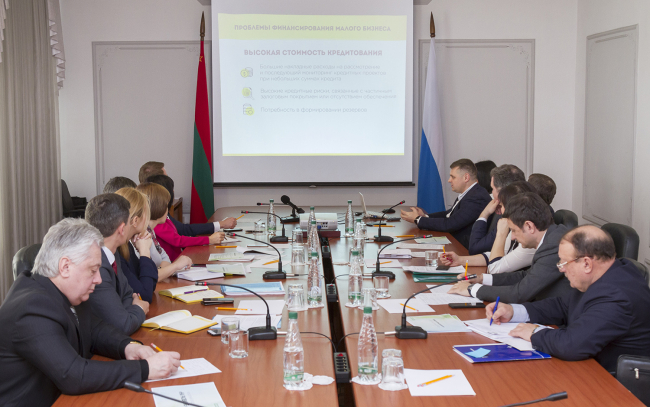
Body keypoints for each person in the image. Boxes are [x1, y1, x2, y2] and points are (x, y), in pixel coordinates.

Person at [0, 218, 180, 406]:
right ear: (65, 267)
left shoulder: (62, 291)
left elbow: (94, 329)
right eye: (93, 270)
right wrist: (145, 368)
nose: (98, 279)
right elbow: (73, 375)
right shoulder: (31, 308)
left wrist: (128, 346)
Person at [488, 225, 650, 372]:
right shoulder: (604, 274)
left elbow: (571, 344)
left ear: (586, 264)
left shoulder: (616, 296)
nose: (561, 269)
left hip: (613, 382)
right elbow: (563, 305)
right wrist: (513, 311)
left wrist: (534, 332)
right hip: (588, 366)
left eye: (564, 262)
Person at [449, 192, 575, 303]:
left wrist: (472, 289)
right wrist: (482, 278)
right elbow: (526, 276)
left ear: (529, 226)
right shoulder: (551, 237)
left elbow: (519, 293)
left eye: (514, 230)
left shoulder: (554, 246)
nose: (513, 237)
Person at [439, 181, 538, 275]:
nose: (500, 210)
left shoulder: (530, 237)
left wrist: (501, 234)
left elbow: (494, 269)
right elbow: (496, 255)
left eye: (502, 205)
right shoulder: (518, 227)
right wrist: (459, 260)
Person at [85, 193, 150, 334]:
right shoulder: (97, 268)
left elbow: (128, 294)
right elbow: (123, 325)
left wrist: (125, 311)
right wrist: (138, 309)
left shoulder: (111, 253)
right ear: (122, 229)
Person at [401, 159, 491, 248]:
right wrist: (425, 216)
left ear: (466, 178)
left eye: (453, 177)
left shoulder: (477, 197)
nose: (449, 180)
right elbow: (449, 214)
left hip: (463, 248)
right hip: (455, 242)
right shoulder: (471, 193)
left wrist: (418, 219)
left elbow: (450, 224)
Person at [146, 174, 225, 261]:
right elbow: (178, 241)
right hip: (174, 264)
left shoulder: (165, 220)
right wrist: (208, 239)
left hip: (178, 261)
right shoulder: (158, 225)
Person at [146, 173, 237, 236]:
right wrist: (217, 228)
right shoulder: (158, 220)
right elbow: (183, 232)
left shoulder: (161, 215)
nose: (173, 191)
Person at [136, 182, 193, 280]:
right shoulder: (140, 235)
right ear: (158, 207)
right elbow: (148, 275)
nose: (167, 210)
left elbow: (165, 258)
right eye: (166, 206)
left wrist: (160, 271)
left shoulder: (151, 231)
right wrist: (174, 266)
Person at [468, 164, 526, 254]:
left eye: (492, 189)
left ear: (502, 192)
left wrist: (484, 214)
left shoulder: (508, 215)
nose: (491, 193)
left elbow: (475, 248)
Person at [114, 187, 159, 303]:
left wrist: (144, 252)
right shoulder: (116, 252)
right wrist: (144, 253)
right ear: (135, 221)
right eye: (145, 215)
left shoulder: (126, 245)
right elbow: (145, 296)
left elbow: (151, 284)